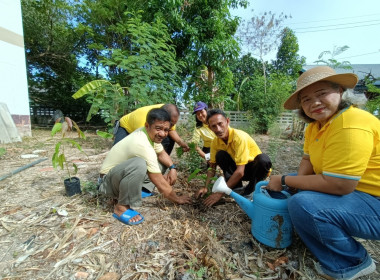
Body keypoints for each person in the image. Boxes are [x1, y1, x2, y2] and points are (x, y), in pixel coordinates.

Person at [266, 66, 380, 280]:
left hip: (373, 202)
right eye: (306, 99)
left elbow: (340, 185)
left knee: (303, 205)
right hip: (356, 195)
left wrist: (283, 180)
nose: (314, 103)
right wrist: (292, 184)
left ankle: (351, 263)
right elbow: (306, 161)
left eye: (321, 94)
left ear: (340, 91)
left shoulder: (351, 123)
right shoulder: (316, 127)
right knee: (296, 190)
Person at [98, 108, 192, 225]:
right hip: (107, 183)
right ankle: (121, 207)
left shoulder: (149, 135)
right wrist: (176, 198)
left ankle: (142, 189)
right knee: (140, 164)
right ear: (147, 125)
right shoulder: (141, 143)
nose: (162, 134)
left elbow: (162, 154)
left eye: (166, 130)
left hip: (118, 176)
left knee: (162, 162)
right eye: (158, 128)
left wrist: (173, 168)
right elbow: (158, 181)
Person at [196, 108, 272, 207]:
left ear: (227, 121)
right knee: (220, 155)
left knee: (263, 160)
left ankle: (250, 191)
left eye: (220, 124)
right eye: (214, 126)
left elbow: (240, 172)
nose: (218, 129)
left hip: (254, 170)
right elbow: (212, 167)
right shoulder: (215, 142)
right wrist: (206, 187)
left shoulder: (239, 137)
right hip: (238, 169)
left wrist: (220, 193)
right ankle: (236, 189)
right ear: (210, 128)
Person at [113, 103, 190, 154]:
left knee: (168, 140)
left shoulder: (170, 114)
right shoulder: (144, 119)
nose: (171, 126)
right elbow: (146, 142)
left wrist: (181, 143)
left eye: (172, 124)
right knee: (118, 151)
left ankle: (161, 166)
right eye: (171, 124)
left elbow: (171, 130)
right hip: (126, 128)